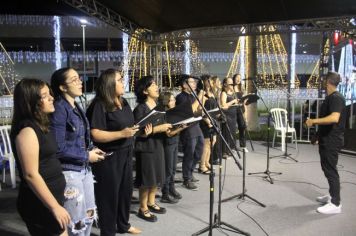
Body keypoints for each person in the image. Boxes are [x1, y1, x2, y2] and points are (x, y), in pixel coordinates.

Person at [10, 78, 71, 235]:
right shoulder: (28, 131)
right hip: (39, 203)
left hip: (51, 198)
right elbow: (30, 175)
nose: (51, 98)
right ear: (31, 102)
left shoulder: (42, 125)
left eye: (49, 93)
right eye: (44, 96)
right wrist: (54, 207)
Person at [50, 68, 105, 235]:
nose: (80, 82)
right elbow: (58, 147)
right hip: (70, 171)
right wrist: (87, 155)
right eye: (74, 80)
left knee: (88, 214)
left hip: (84, 168)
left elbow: (79, 138)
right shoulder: (60, 108)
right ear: (62, 87)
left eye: (79, 78)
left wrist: (91, 149)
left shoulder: (75, 105)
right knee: (76, 222)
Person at [86, 69, 141, 235]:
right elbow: (95, 133)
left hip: (126, 152)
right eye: (119, 80)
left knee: (125, 191)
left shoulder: (122, 101)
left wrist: (138, 130)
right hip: (109, 158)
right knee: (109, 196)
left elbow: (127, 126)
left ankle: (123, 224)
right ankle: (108, 231)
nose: (123, 82)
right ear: (110, 84)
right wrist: (121, 134)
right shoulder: (99, 105)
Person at [306, 71, 346, 214]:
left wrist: (313, 121)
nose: (322, 82)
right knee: (327, 168)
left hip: (332, 140)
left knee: (330, 170)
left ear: (328, 81)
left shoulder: (336, 98)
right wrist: (317, 136)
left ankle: (336, 204)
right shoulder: (330, 98)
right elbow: (326, 121)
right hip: (326, 139)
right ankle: (332, 195)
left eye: (324, 80)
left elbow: (334, 118)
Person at [134, 75, 172, 222]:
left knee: (156, 177)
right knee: (146, 178)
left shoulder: (158, 108)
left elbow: (163, 128)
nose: (157, 87)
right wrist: (158, 129)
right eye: (153, 85)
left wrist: (171, 128)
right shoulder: (140, 109)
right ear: (144, 91)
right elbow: (138, 132)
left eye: (156, 84)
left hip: (158, 146)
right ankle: (142, 208)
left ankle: (151, 202)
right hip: (146, 148)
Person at [175, 74, 205, 190]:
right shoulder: (181, 97)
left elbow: (197, 110)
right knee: (189, 154)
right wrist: (200, 95)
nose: (195, 84)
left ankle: (190, 172)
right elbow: (189, 110)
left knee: (198, 152)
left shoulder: (193, 96)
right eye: (192, 82)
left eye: (194, 82)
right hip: (188, 130)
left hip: (197, 127)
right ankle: (186, 178)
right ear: (184, 85)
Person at [157, 91, 186, 203]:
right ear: (167, 102)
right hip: (168, 143)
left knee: (173, 169)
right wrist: (181, 128)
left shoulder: (173, 112)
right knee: (168, 170)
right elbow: (168, 133)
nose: (175, 101)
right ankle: (165, 193)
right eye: (173, 100)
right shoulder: (164, 114)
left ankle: (172, 189)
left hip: (174, 142)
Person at [199, 75, 218, 174]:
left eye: (210, 80)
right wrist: (208, 122)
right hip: (206, 122)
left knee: (213, 141)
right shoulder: (203, 94)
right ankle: (202, 166)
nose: (210, 82)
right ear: (204, 82)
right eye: (208, 81)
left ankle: (207, 162)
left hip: (213, 120)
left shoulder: (212, 93)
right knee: (206, 144)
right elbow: (201, 110)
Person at [220, 77, 239, 158]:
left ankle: (230, 149)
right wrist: (233, 101)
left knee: (232, 133)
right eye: (230, 83)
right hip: (227, 116)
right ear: (225, 84)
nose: (232, 85)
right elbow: (223, 105)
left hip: (233, 115)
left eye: (232, 83)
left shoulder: (233, 92)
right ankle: (224, 151)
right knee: (226, 133)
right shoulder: (224, 93)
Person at [233, 74, 248, 152]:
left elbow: (244, 102)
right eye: (237, 78)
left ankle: (243, 145)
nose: (238, 79)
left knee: (242, 127)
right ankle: (233, 146)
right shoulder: (231, 88)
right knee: (233, 129)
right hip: (233, 110)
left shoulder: (242, 89)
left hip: (241, 110)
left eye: (240, 78)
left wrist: (245, 113)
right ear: (234, 79)